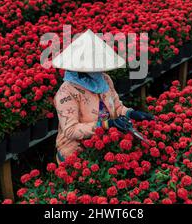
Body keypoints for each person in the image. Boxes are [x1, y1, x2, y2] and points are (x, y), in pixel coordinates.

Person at [52, 29, 154, 164]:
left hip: (104, 143)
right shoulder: (66, 93)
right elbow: (71, 130)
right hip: (76, 154)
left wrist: (130, 113)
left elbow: (116, 106)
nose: (100, 70)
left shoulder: (104, 79)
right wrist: (106, 124)